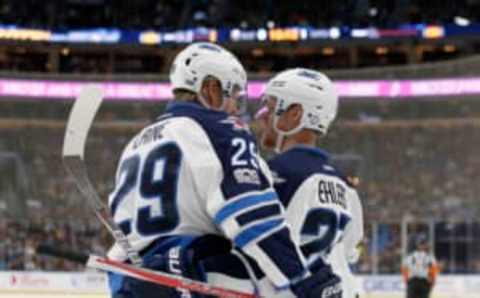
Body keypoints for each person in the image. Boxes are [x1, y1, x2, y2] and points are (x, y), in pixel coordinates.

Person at [106, 43, 341, 298]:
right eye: (233, 96)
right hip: (187, 279)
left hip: (129, 282)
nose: (234, 108)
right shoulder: (219, 130)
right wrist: (300, 279)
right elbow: (253, 217)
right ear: (210, 89)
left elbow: (122, 226)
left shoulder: (136, 143)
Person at [253, 68, 364, 297]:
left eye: (271, 108)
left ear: (295, 114)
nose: (261, 115)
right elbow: (350, 253)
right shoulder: (345, 185)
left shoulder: (271, 173)